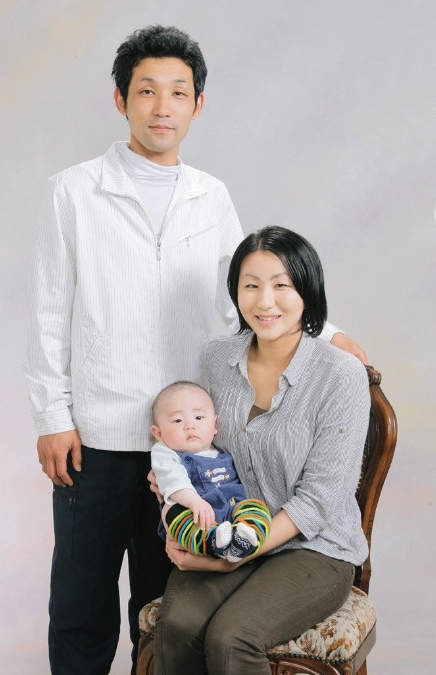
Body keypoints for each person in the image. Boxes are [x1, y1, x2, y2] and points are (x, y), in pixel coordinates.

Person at [23, 23, 366, 675]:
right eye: (147, 90)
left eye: (178, 92)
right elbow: (47, 313)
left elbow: (247, 292)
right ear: (120, 99)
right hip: (95, 435)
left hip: (189, 446)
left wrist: (326, 331)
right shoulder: (72, 192)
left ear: (197, 105)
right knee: (81, 605)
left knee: (161, 607)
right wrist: (51, 416)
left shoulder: (210, 196)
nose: (163, 107)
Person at [152, 226, 371, 675]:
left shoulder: (340, 375)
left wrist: (235, 556)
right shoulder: (217, 358)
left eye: (281, 285)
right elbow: (201, 442)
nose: (264, 301)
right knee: (177, 626)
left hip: (315, 548)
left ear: (307, 290)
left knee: (232, 638)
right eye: (250, 286)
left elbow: (320, 500)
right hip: (228, 527)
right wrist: (173, 480)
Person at [151, 381, 272, 561]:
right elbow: (173, 480)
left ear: (215, 425)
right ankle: (214, 542)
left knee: (257, 508)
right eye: (178, 420)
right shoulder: (166, 453)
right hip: (193, 514)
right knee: (173, 513)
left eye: (199, 418)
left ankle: (243, 539)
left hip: (233, 507)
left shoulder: (223, 449)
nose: (189, 425)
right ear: (158, 433)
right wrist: (194, 502)